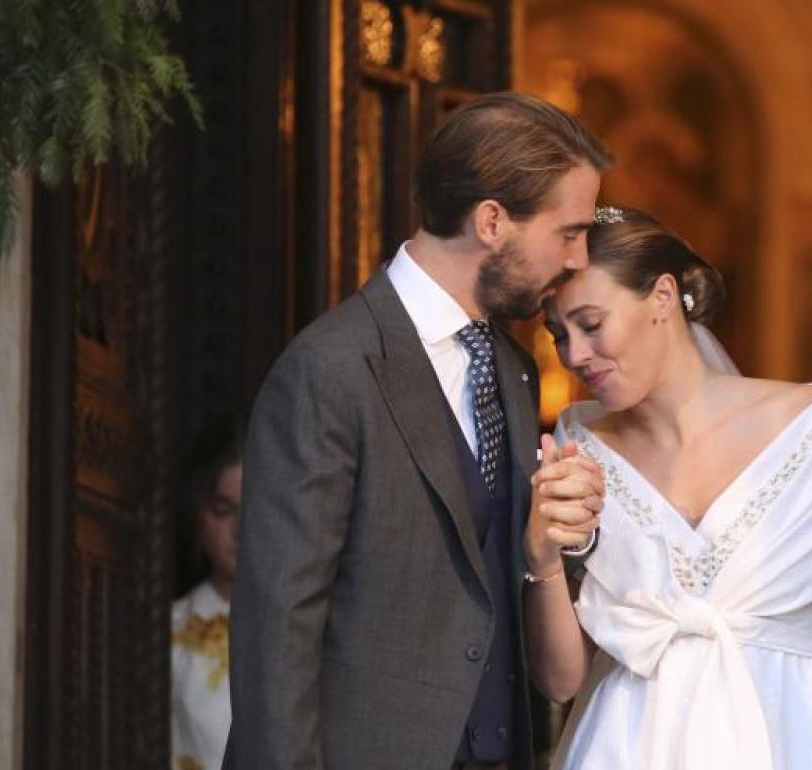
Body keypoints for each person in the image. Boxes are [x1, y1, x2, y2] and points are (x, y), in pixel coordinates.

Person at [225, 92, 610, 770]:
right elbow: (277, 627)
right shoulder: (331, 368)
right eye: (568, 231)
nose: (578, 259)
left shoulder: (516, 375)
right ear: (492, 220)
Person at [528, 206, 812, 769]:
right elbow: (560, 679)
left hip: (803, 738)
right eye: (558, 335)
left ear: (664, 297)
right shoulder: (576, 446)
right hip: (629, 747)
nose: (575, 355)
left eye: (592, 324)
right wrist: (542, 555)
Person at [172, 419, 243, 770]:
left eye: (256, 509)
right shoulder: (168, 633)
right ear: (197, 516)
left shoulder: (321, 630)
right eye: (224, 510)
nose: (242, 529)